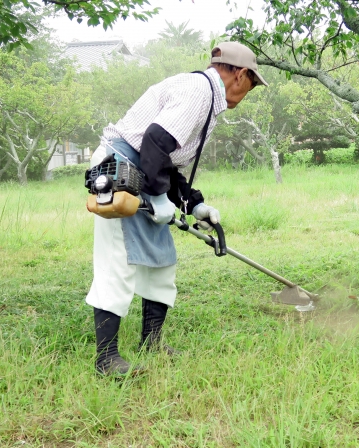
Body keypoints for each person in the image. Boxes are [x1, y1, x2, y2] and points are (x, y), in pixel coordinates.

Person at [86, 41, 267, 376]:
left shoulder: (205, 96)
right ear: (241, 75)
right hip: (121, 169)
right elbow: (153, 140)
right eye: (252, 85)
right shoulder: (199, 91)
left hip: (147, 171)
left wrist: (194, 203)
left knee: (161, 259)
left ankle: (151, 341)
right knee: (119, 258)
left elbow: (165, 160)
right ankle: (106, 358)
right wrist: (156, 197)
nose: (248, 93)